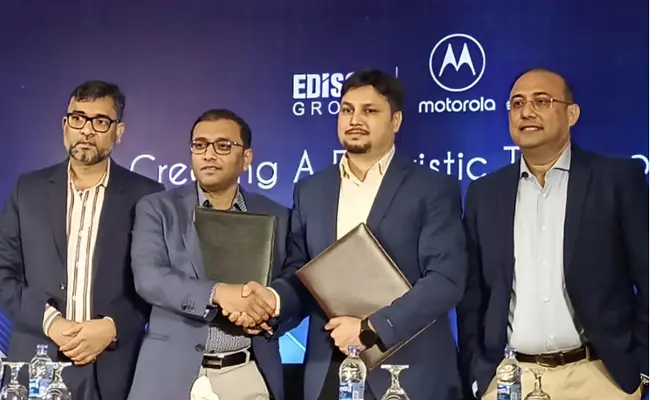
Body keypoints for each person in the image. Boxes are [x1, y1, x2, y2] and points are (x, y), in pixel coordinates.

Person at [241, 69, 467, 400]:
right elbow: (301, 274)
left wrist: (370, 329)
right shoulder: (311, 189)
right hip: (329, 369)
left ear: (396, 120)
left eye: (369, 110)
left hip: (406, 372)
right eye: (347, 110)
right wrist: (272, 301)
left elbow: (445, 280)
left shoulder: (432, 188)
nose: (354, 119)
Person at [456, 68, 648, 400]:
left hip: (599, 378)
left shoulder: (616, 180)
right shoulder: (484, 193)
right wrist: (478, 375)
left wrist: (642, 367)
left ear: (571, 114)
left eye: (541, 101)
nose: (527, 112)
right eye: (517, 103)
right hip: (510, 379)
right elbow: (473, 296)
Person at [0, 80, 165, 399]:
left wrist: (113, 326)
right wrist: (51, 322)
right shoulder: (27, 190)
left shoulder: (147, 196)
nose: (87, 130)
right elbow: (3, 273)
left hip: (115, 367)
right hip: (38, 364)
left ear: (118, 132)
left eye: (100, 121)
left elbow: (156, 282)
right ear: (65, 125)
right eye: (78, 118)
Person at [127, 109, 290, 400]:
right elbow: (150, 278)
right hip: (170, 375)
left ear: (247, 158)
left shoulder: (277, 215)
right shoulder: (158, 208)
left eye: (223, 146)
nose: (209, 154)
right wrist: (218, 293)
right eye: (200, 145)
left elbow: (291, 284)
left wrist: (265, 311)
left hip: (247, 372)